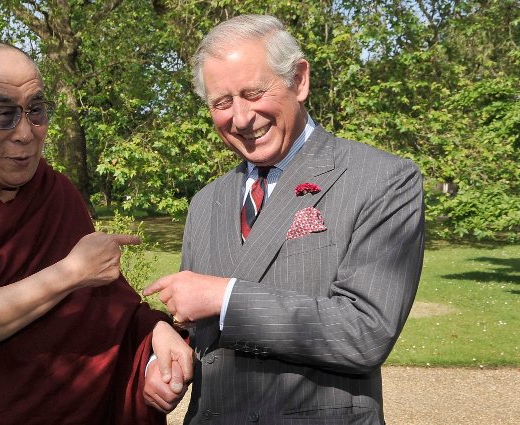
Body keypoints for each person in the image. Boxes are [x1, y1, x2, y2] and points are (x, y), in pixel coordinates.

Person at [0, 43, 191, 425]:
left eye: (36, 111)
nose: (26, 134)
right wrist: (70, 272)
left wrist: (154, 332)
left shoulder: (57, 193)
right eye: (5, 114)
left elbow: (105, 302)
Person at [144, 14, 425, 424]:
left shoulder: (381, 179)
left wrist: (226, 299)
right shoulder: (207, 202)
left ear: (300, 80)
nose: (240, 118)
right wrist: (166, 349)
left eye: (254, 92)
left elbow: (366, 332)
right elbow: (199, 322)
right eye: (222, 102)